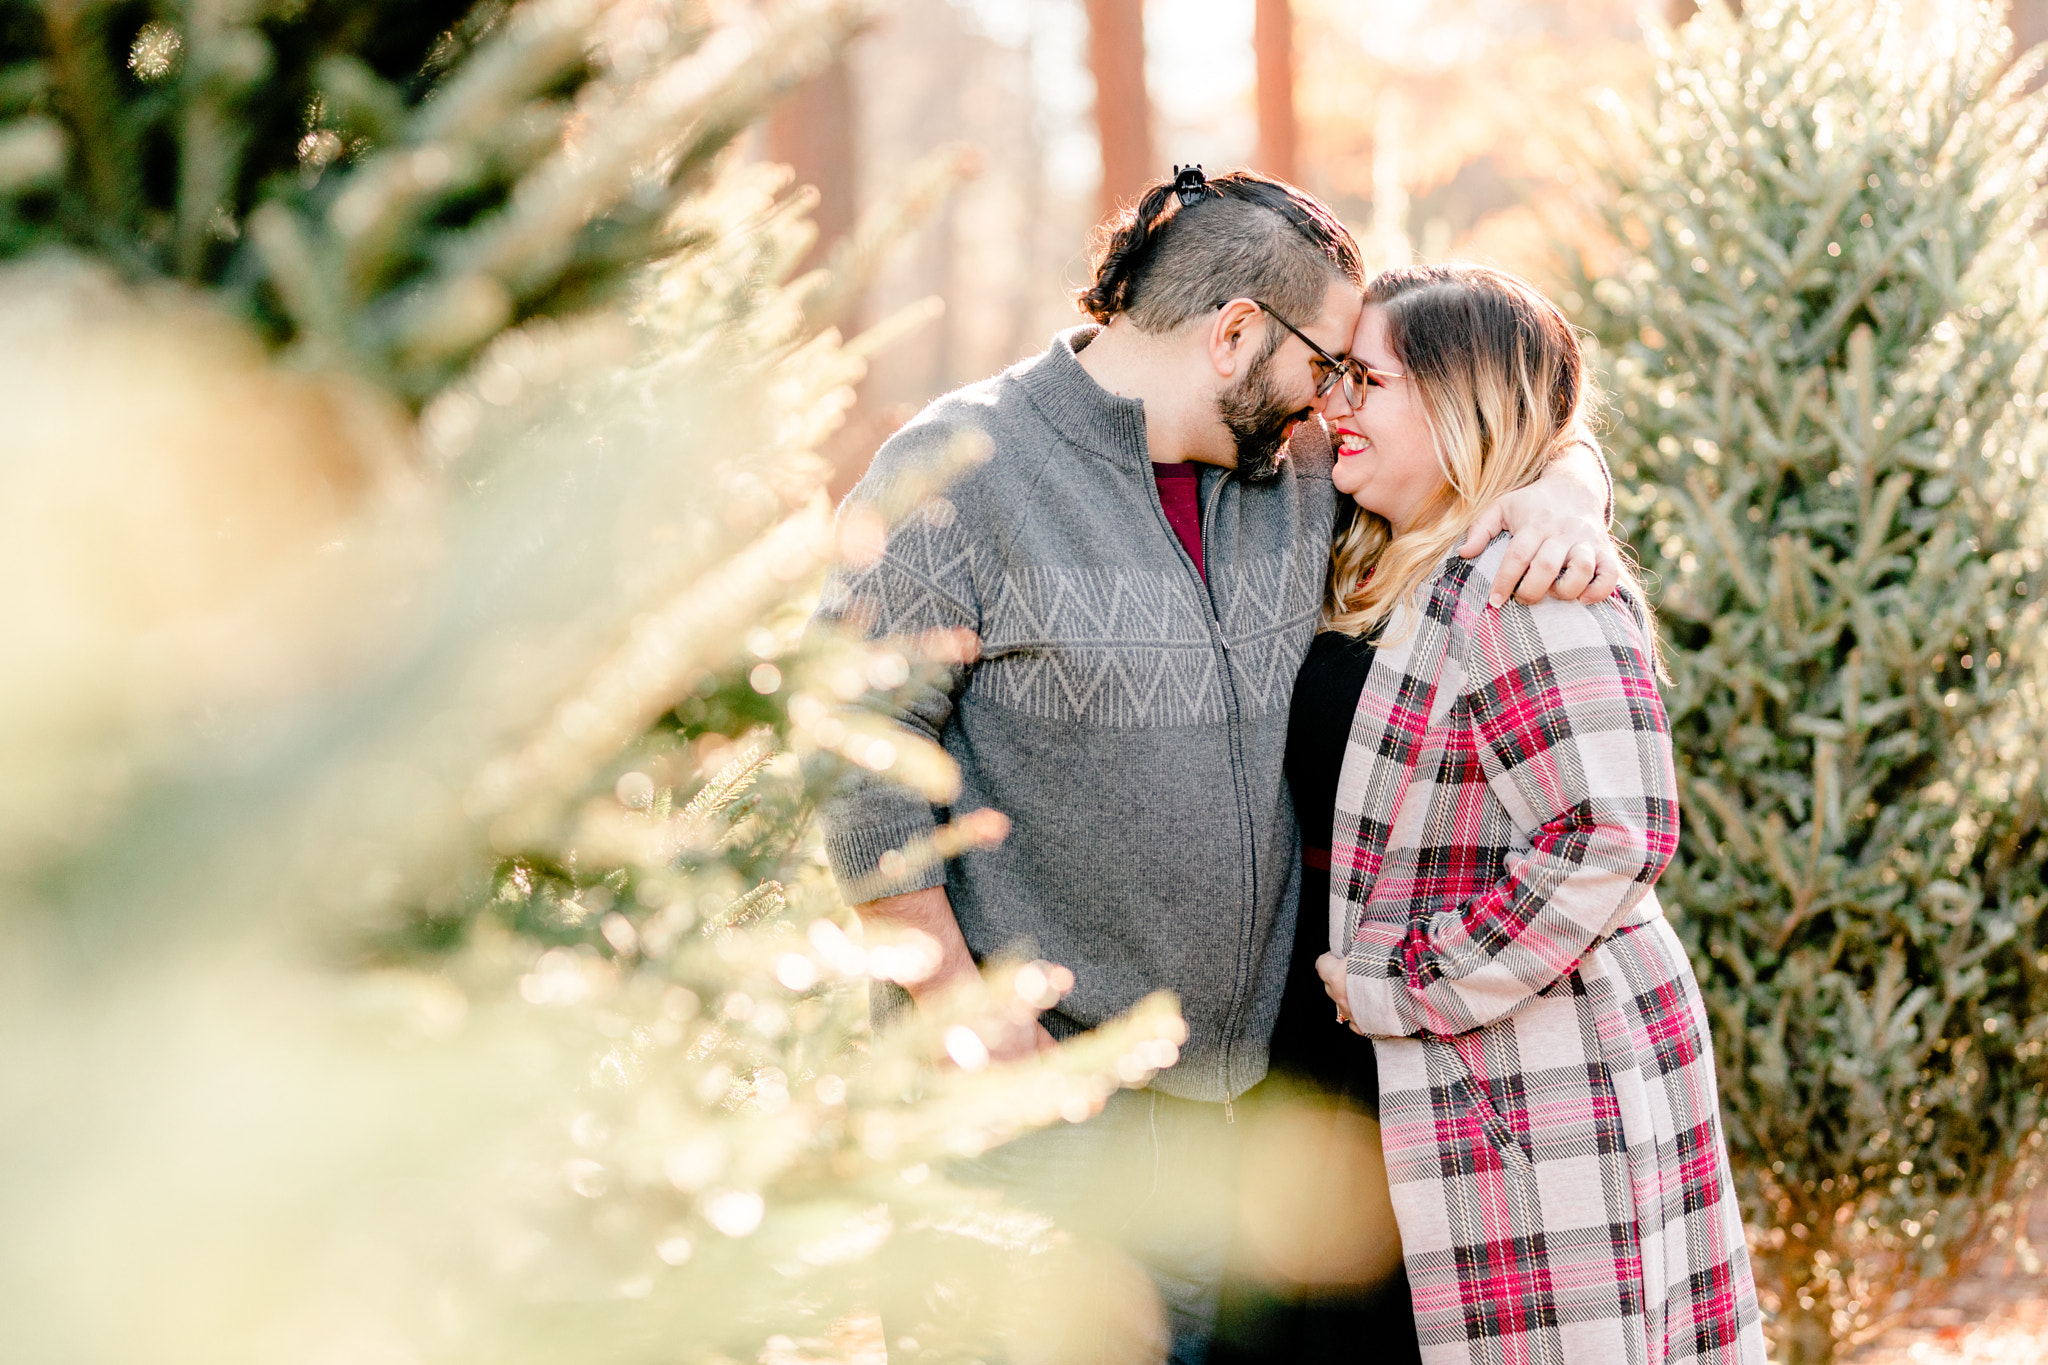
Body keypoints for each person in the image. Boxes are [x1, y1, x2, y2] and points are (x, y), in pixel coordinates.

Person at [816, 169, 1618, 1364]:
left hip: (1230, 1104)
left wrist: (1570, 483)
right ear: (1236, 333)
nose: (1333, 400)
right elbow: (852, 750)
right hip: (1033, 1095)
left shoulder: (1291, 482)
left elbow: (1466, 441)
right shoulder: (959, 468)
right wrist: (950, 1004)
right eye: (1325, 365)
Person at [1290, 263, 1766, 1365]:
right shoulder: (1367, 560)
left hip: (1516, 1074)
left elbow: (1612, 838)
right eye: (1335, 378)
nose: (1335, 406)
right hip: (1381, 1075)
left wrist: (1406, 983)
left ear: (1464, 401)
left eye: (1367, 380)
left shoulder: (1530, 586)